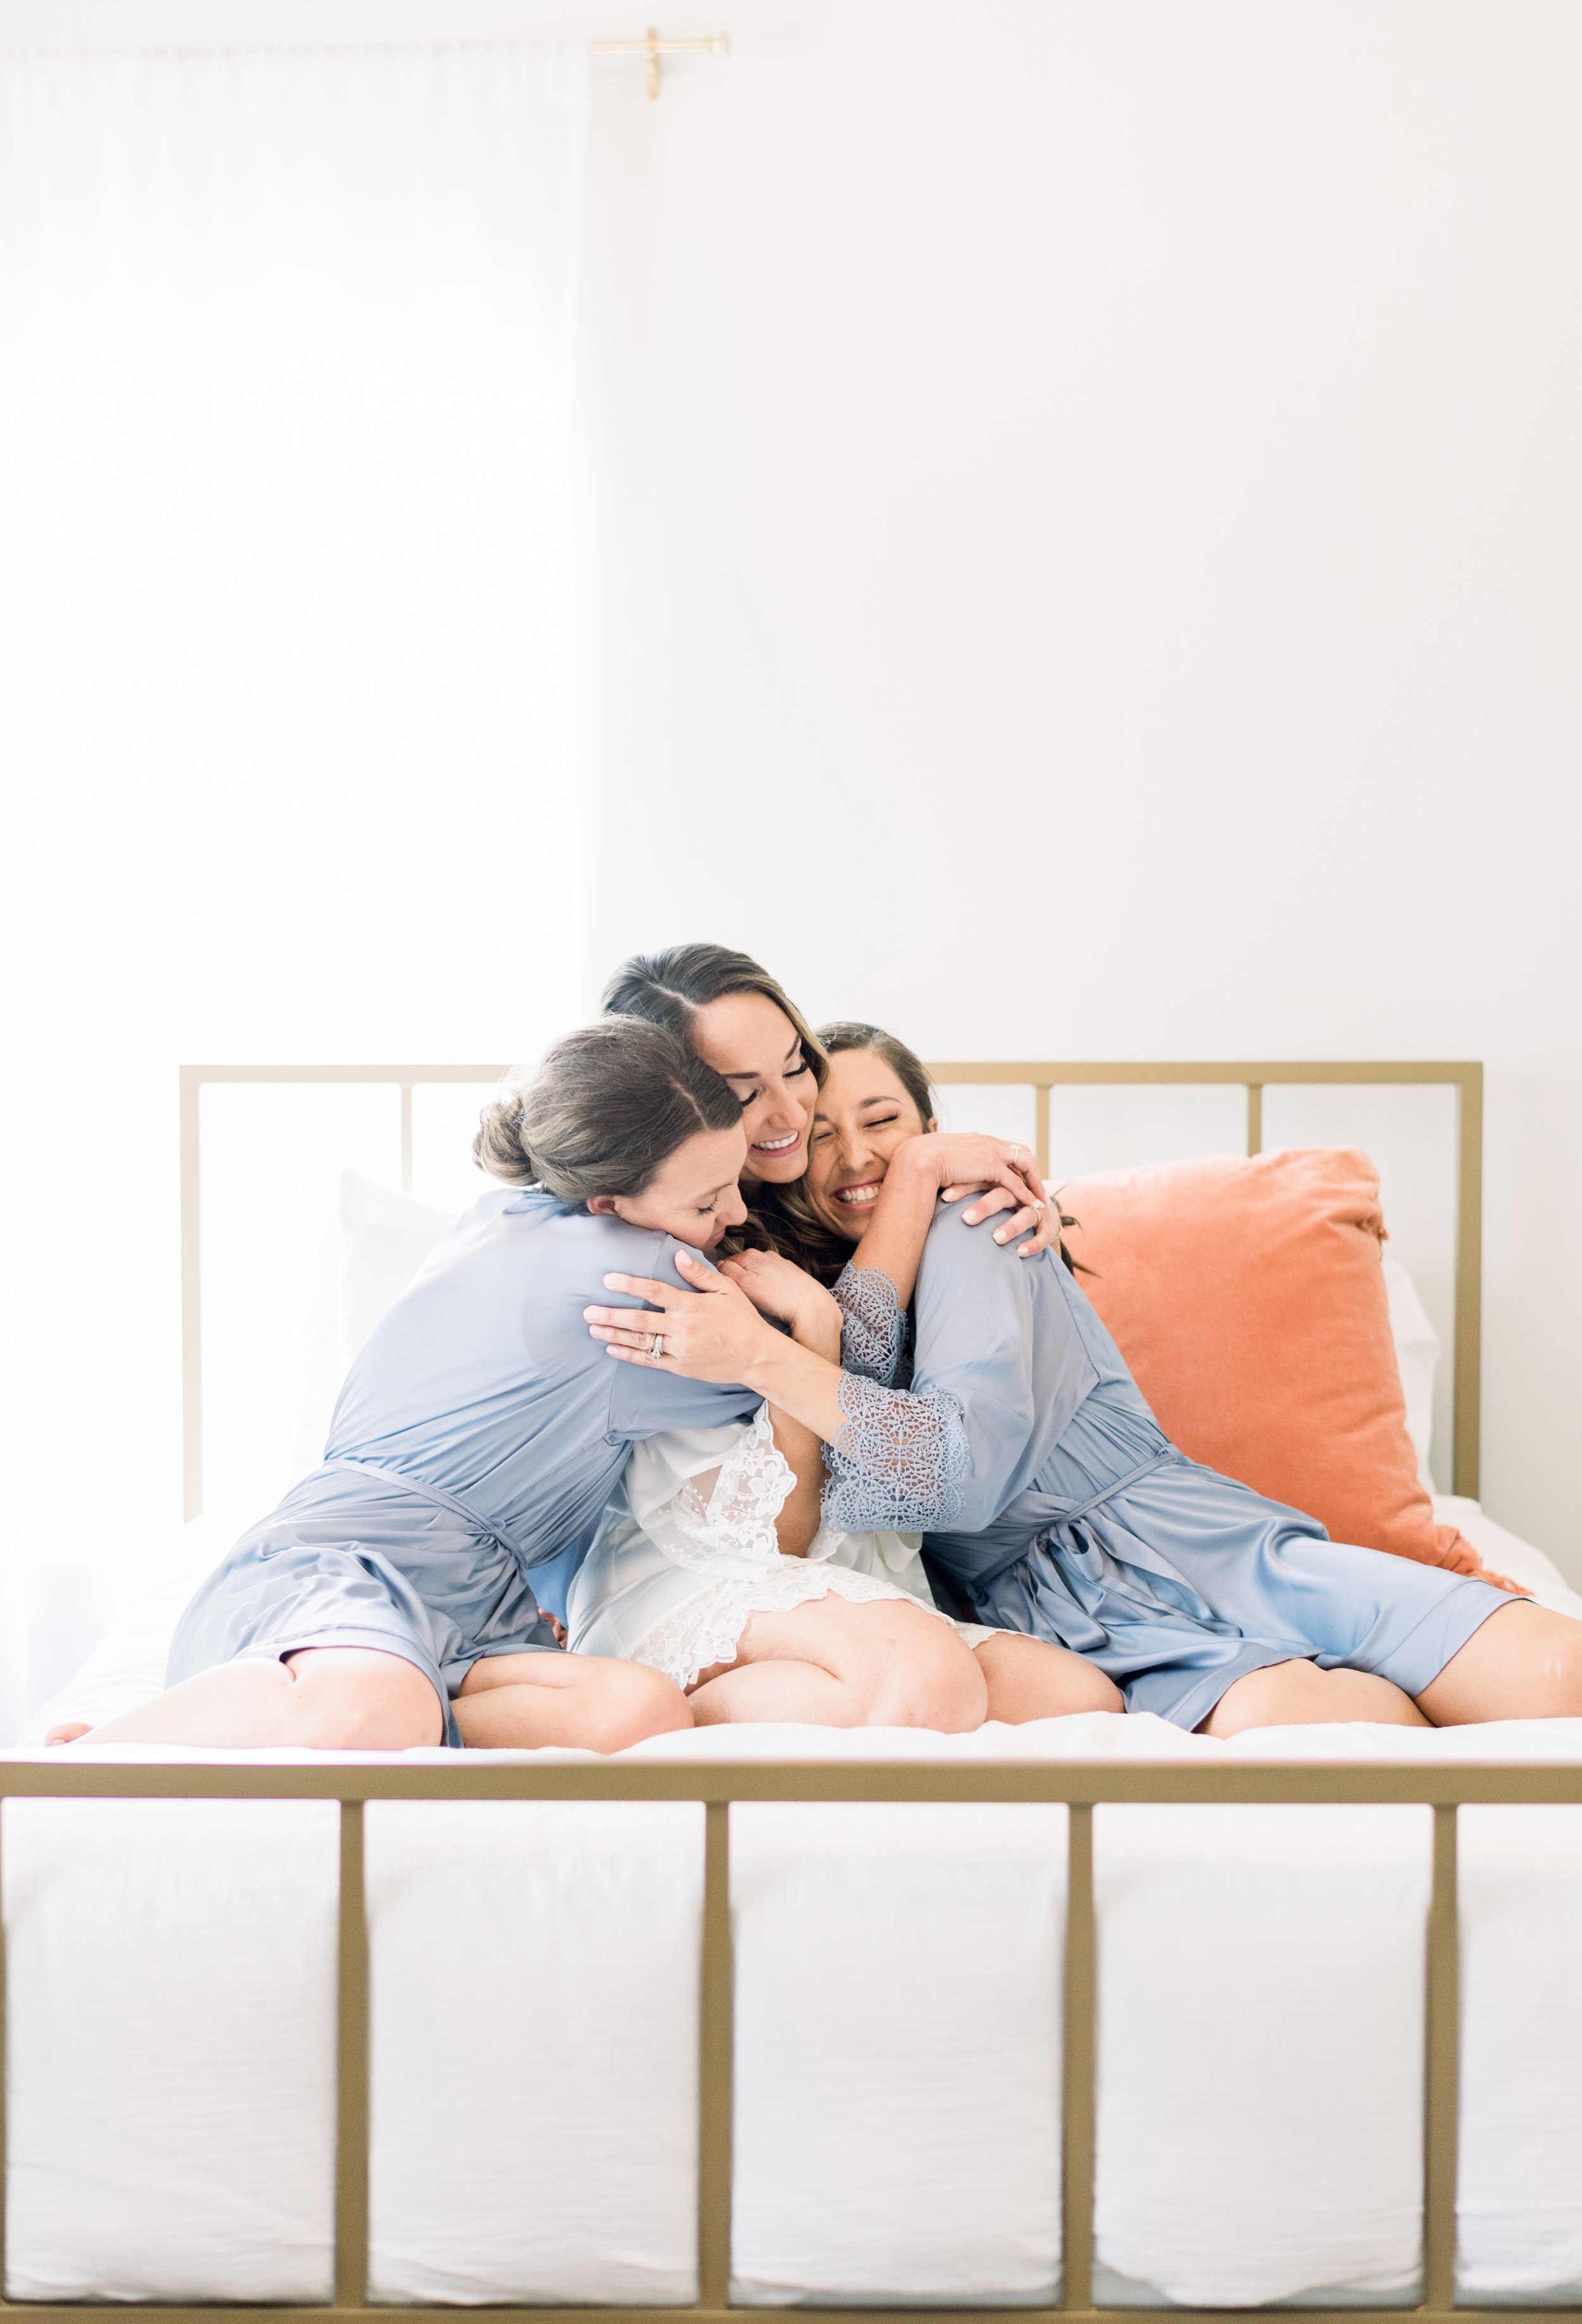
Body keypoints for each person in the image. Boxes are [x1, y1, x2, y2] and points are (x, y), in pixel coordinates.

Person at [583, 1013, 1582, 1734]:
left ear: (936, 1130)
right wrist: (801, 1332)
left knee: (1554, 1676)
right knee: (1301, 1724)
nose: (857, 1158)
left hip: (1183, 1540)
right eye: (824, 1136)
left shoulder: (978, 1223)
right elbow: (841, 1504)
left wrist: (790, 1345)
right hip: (1046, 1611)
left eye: (886, 1123)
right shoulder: (825, 1303)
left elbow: (946, 1478)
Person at [49, 1022, 806, 1752]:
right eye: (705, 1204)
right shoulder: (638, 1281)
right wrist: (819, 1315)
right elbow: (816, 1391)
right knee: (378, 1703)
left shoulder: (500, 1214)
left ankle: (389, 1709)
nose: (734, 1215)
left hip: (476, 1603)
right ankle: (88, 1755)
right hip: (346, 1564)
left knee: (638, 1709)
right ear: (609, 1204)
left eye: (733, 1184)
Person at [596, 947, 1124, 1721]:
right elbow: (777, 1535)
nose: (791, 1114)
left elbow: (884, 1364)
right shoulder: (676, 1245)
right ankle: (637, 1713)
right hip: (714, 1565)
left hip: (848, 1575)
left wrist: (923, 1181)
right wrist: (811, 1328)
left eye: (795, 1067)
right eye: (744, 1093)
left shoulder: (825, 1224)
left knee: (1078, 1699)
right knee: (923, 1682)